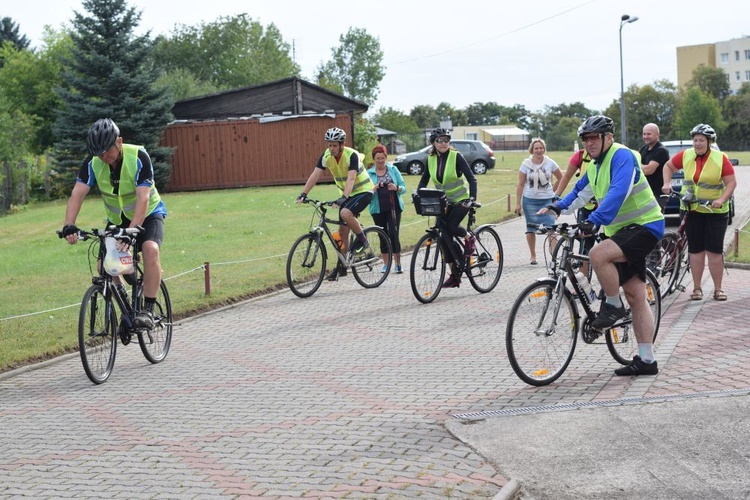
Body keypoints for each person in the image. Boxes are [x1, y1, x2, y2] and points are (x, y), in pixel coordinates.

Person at [541, 115, 665, 377]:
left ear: (608, 137)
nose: (589, 143)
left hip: (645, 225)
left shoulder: (622, 157)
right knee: (636, 294)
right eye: (585, 139)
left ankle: (612, 305)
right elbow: (579, 191)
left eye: (594, 138)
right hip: (622, 231)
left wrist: (593, 221)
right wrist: (557, 206)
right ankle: (647, 360)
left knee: (598, 254)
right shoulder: (595, 166)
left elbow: (618, 193)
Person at [61, 118, 167, 329]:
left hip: (148, 215)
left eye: (106, 150)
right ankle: (127, 307)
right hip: (118, 221)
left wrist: (133, 231)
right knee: (104, 266)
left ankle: (148, 309)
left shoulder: (139, 156)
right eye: (98, 152)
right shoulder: (93, 163)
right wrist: (69, 225)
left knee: (150, 249)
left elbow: (143, 198)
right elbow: (77, 194)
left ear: (119, 142)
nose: (103, 156)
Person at [661, 123, 736, 302]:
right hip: (691, 209)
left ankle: (718, 289)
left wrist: (721, 200)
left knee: (714, 251)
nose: (697, 144)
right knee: (696, 251)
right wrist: (667, 183)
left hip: (715, 212)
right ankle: (696, 288)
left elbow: (731, 183)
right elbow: (668, 166)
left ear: (709, 142)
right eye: (695, 140)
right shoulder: (686, 155)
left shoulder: (720, 158)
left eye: (701, 140)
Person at [297, 127, 374, 281]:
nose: (331, 148)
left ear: (341, 145)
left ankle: (363, 240)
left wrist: (344, 197)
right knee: (342, 233)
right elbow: (315, 175)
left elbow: (351, 178)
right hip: (347, 195)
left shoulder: (351, 155)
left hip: (364, 191)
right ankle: (341, 267)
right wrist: (304, 193)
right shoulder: (326, 156)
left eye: (334, 145)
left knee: (345, 213)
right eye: (329, 145)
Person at [416, 127, 478, 289]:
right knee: (443, 238)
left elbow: (472, 179)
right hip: (442, 202)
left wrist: (471, 199)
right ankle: (454, 274)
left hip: (461, 200)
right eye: (439, 141)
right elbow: (424, 181)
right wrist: (418, 193)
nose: (443, 143)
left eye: (446, 140)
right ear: (433, 143)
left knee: (451, 227)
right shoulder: (430, 159)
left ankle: (469, 237)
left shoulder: (456, 156)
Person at [515, 137, 563, 265]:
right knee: (531, 229)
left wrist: (553, 192)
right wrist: (518, 203)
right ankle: (533, 255)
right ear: (532, 150)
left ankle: (554, 257)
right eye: (536, 148)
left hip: (547, 200)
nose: (539, 150)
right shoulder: (526, 164)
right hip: (530, 200)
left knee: (551, 229)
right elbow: (520, 184)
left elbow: (561, 178)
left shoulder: (550, 163)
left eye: (541, 148)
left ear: (544, 149)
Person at [367, 144, 406, 274]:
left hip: (394, 207)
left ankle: (398, 264)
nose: (380, 161)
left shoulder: (393, 169)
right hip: (377, 209)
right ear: (374, 159)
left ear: (386, 157)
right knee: (382, 235)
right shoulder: (369, 173)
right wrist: (374, 188)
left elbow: (403, 186)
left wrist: (396, 188)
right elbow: (365, 191)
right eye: (378, 158)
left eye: (382, 158)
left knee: (394, 235)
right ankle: (386, 264)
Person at [639, 123, 670, 206]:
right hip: (645, 193)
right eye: (644, 134)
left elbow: (648, 170)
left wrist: (638, 165)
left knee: (655, 218)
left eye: (649, 134)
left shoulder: (661, 150)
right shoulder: (643, 149)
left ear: (657, 134)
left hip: (658, 195)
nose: (646, 136)